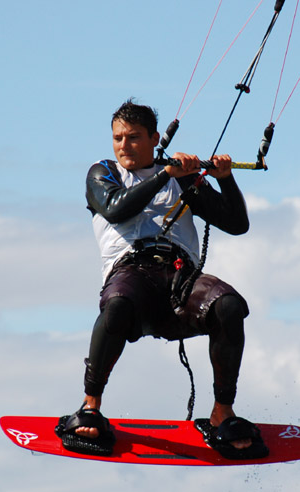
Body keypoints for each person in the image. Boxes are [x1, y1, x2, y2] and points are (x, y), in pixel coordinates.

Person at [55, 99, 268, 459]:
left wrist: (226, 180)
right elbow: (118, 208)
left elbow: (236, 224)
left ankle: (222, 413)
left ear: (154, 138)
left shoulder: (182, 182)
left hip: (180, 277)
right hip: (130, 273)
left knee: (230, 306)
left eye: (134, 138)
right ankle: (91, 405)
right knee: (118, 306)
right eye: (118, 138)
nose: (124, 145)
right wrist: (166, 174)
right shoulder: (102, 172)